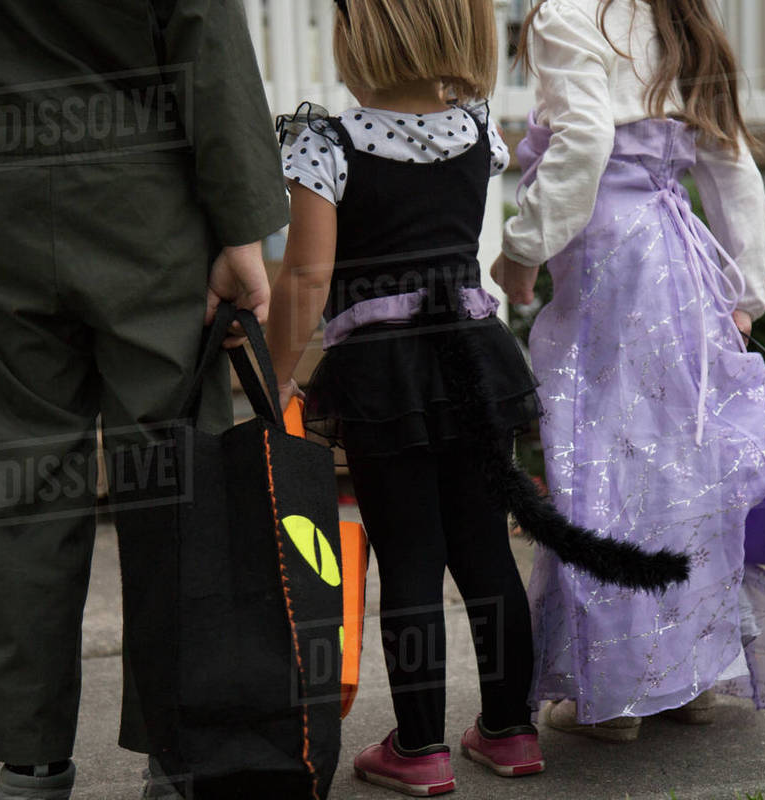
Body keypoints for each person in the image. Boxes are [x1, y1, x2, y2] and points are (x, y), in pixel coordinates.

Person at [0, 1, 287, 797]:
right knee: (175, 479)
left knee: (21, 481)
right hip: (143, 200)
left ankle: (30, 762)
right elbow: (206, 38)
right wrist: (244, 233)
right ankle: (177, 754)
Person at [492, 0, 765, 741]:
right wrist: (745, 292)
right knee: (684, 471)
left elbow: (583, 143)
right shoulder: (677, 17)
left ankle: (619, 688)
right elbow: (732, 162)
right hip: (682, 264)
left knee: (602, 466)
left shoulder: (565, 16)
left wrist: (523, 249)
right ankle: (690, 675)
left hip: (611, 266)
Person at [264, 0, 548, 793]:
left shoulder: (325, 141)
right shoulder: (477, 129)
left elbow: (309, 275)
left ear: (360, 35)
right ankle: (511, 731)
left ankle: (419, 747)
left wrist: (278, 375)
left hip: (387, 379)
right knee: (486, 549)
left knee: (411, 559)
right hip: (473, 361)